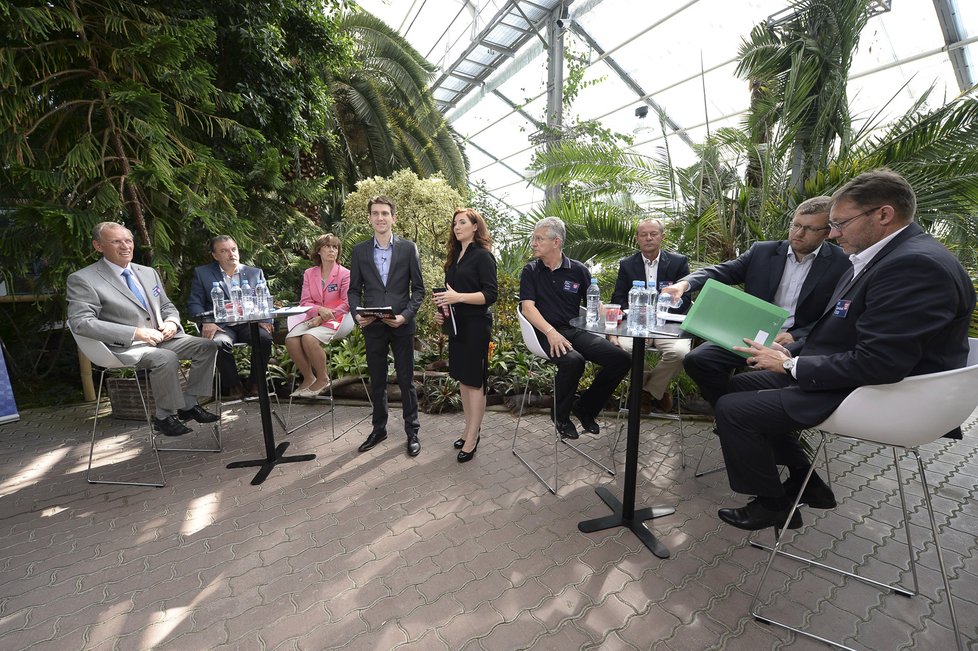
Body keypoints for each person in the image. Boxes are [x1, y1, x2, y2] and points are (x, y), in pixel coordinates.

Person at [713, 169, 975, 532]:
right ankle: (808, 482)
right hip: (870, 381)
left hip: (888, 395)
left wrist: (791, 365)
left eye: (840, 224)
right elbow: (847, 332)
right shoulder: (893, 257)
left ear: (883, 215)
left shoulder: (914, 266)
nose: (833, 235)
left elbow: (880, 362)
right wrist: (788, 351)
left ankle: (772, 504)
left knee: (734, 410)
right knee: (742, 387)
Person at [661, 196, 851, 411]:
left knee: (764, 381)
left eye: (809, 229)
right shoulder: (763, 251)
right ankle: (731, 410)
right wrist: (684, 285)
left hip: (799, 342)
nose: (798, 233)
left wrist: (796, 336)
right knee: (698, 359)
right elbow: (722, 271)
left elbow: (837, 313)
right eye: (796, 225)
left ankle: (737, 414)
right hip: (751, 334)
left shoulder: (842, 262)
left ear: (827, 232)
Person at [68, 222, 220, 437]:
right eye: (116, 242)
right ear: (98, 246)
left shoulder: (148, 272)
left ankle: (189, 404)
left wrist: (171, 323)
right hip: (125, 346)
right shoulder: (84, 279)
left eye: (128, 240)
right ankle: (164, 417)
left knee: (207, 346)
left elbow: (167, 306)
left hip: (162, 337)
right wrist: (135, 333)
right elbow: (81, 322)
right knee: (165, 358)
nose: (125, 246)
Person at [519, 217, 630, 440]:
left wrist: (611, 333)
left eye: (539, 238)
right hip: (543, 333)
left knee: (622, 360)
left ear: (556, 242)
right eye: (534, 238)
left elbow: (594, 304)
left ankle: (585, 408)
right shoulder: (531, 270)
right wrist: (551, 333)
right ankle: (560, 416)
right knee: (573, 361)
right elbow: (528, 309)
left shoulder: (578, 270)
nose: (534, 243)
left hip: (574, 331)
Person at [348, 196, 425, 456]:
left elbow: (419, 290)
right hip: (372, 326)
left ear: (393, 217)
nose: (380, 217)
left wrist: (404, 316)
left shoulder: (408, 248)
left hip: (402, 325)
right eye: (375, 213)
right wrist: (356, 314)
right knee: (378, 382)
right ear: (369, 218)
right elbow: (353, 290)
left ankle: (412, 432)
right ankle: (378, 429)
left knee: (406, 381)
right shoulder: (359, 251)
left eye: (384, 213)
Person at [432, 209, 498, 462]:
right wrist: (443, 313)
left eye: (462, 222)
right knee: (462, 379)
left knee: (474, 381)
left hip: (476, 326)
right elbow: (448, 295)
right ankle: (469, 429)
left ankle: (473, 437)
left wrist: (457, 297)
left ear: (474, 227)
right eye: (454, 223)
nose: (456, 227)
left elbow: (490, 295)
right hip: (456, 326)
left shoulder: (483, 257)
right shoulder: (454, 257)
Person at [609, 218, 691, 413]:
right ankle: (657, 393)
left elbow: (686, 300)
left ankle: (645, 392)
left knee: (680, 353)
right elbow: (618, 298)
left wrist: (667, 307)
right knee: (623, 350)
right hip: (637, 326)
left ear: (662, 237)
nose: (648, 238)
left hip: (668, 325)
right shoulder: (628, 265)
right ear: (637, 238)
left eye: (653, 234)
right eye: (643, 234)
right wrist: (640, 316)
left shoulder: (678, 262)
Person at [187, 235, 273, 400]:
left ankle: (255, 383)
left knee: (264, 339)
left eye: (233, 249)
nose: (231, 254)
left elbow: (266, 301)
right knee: (218, 343)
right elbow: (194, 304)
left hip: (249, 323)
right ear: (215, 255)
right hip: (221, 326)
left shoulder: (254, 273)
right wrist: (207, 322)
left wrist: (266, 320)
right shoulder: (202, 273)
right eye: (224, 251)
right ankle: (234, 386)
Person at [285, 234, 351, 398]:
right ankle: (308, 378)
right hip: (313, 317)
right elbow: (305, 301)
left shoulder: (345, 274)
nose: (332, 250)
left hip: (339, 319)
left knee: (308, 338)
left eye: (335, 247)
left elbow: (347, 303)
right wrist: (319, 310)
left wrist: (323, 317)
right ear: (318, 251)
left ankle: (323, 378)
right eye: (327, 246)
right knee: (290, 340)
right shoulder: (309, 273)